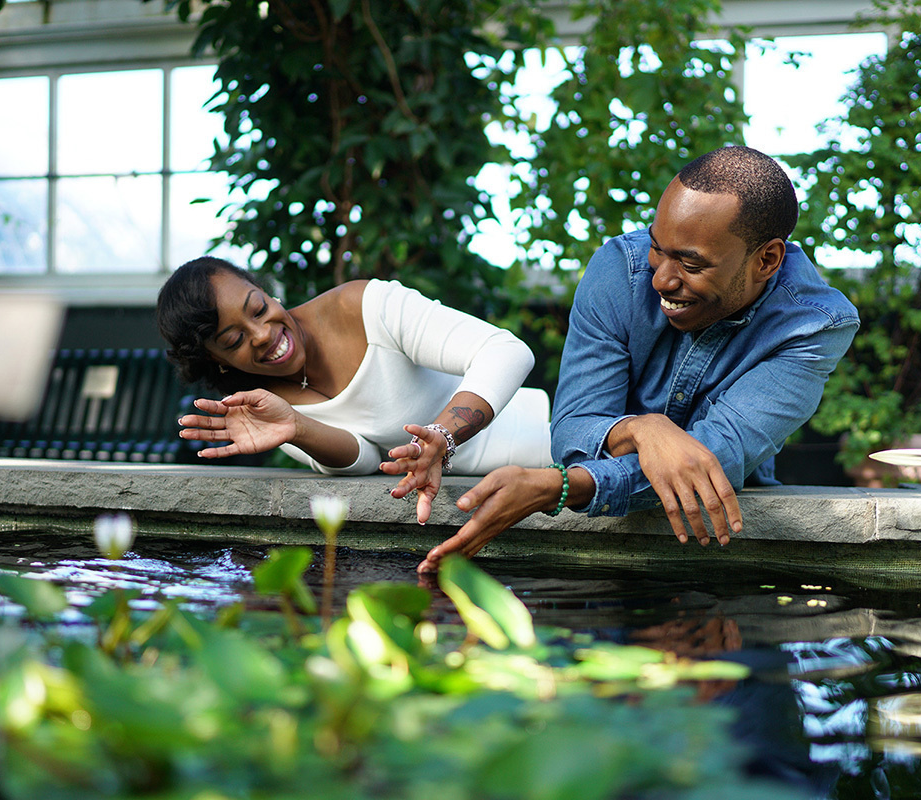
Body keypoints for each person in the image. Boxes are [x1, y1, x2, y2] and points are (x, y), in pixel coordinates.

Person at [417, 145, 860, 572]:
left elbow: (716, 458)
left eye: (691, 264)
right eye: (657, 249)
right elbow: (572, 431)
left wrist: (561, 487)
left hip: (727, 547)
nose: (662, 280)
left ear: (767, 259)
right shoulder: (620, 270)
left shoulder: (815, 326)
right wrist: (643, 429)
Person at [156, 260, 552, 523]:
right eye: (234, 339)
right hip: (490, 495)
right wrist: (297, 427)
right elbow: (364, 460)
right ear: (217, 361)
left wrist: (442, 438)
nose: (263, 334)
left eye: (258, 309)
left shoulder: (362, 306)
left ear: (267, 292)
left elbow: (506, 351)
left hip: (553, 441)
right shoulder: (264, 405)